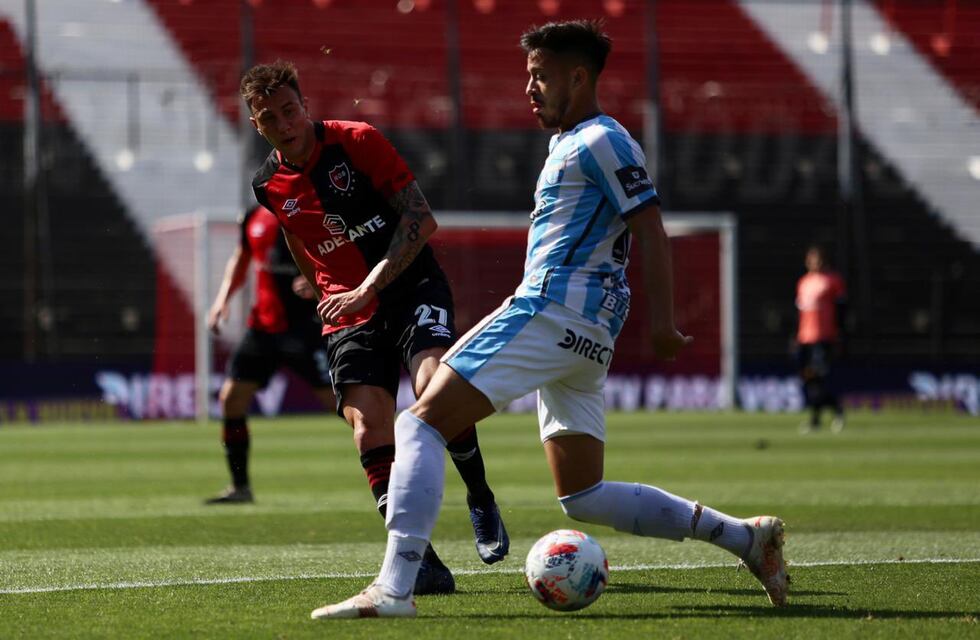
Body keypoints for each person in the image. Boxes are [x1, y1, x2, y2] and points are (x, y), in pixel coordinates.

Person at [312, 20, 789, 619]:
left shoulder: (601, 140)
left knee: (418, 425)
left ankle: (394, 590)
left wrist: (664, 324)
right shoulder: (572, 142)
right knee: (584, 495)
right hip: (587, 335)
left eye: (540, 76)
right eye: (528, 75)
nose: (529, 88)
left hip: (549, 309)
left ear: (578, 77)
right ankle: (746, 538)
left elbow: (651, 229)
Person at [241, 61, 509, 595]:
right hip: (351, 310)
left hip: (411, 286)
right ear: (257, 125)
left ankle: (479, 494)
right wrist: (319, 282)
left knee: (435, 387)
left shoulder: (357, 141)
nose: (284, 123)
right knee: (369, 427)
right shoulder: (268, 184)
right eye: (270, 117)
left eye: (290, 110)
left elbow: (420, 218)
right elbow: (296, 234)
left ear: (306, 106)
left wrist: (368, 285)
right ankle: (421, 559)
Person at [205, 204, 336, 505]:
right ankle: (240, 487)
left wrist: (318, 279)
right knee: (231, 400)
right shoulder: (254, 216)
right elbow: (242, 257)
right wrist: (222, 299)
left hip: (305, 329)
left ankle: (400, 470)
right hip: (262, 328)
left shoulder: (312, 211)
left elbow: (338, 254)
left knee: (349, 408)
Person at [795, 245, 847, 433]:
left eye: (817, 258)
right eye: (810, 258)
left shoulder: (832, 281)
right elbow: (801, 313)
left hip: (823, 337)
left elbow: (842, 310)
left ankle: (817, 418)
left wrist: (839, 334)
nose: (813, 262)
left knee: (817, 378)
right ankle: (835, 409)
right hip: (805, 338)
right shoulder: (803, 282)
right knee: (808, 379)